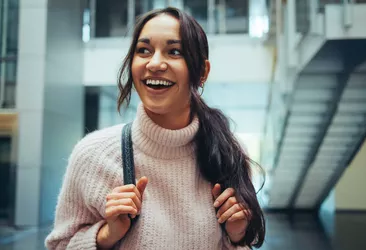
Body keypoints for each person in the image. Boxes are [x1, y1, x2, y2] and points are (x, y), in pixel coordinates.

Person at [45, 7, 265, 250]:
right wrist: (106, 235)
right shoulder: (92, 155)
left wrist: (237, 236)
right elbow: (59, 246)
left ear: (202, 72)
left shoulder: (228, 152)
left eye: (174, 52)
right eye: (144, 51)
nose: (155, 63)